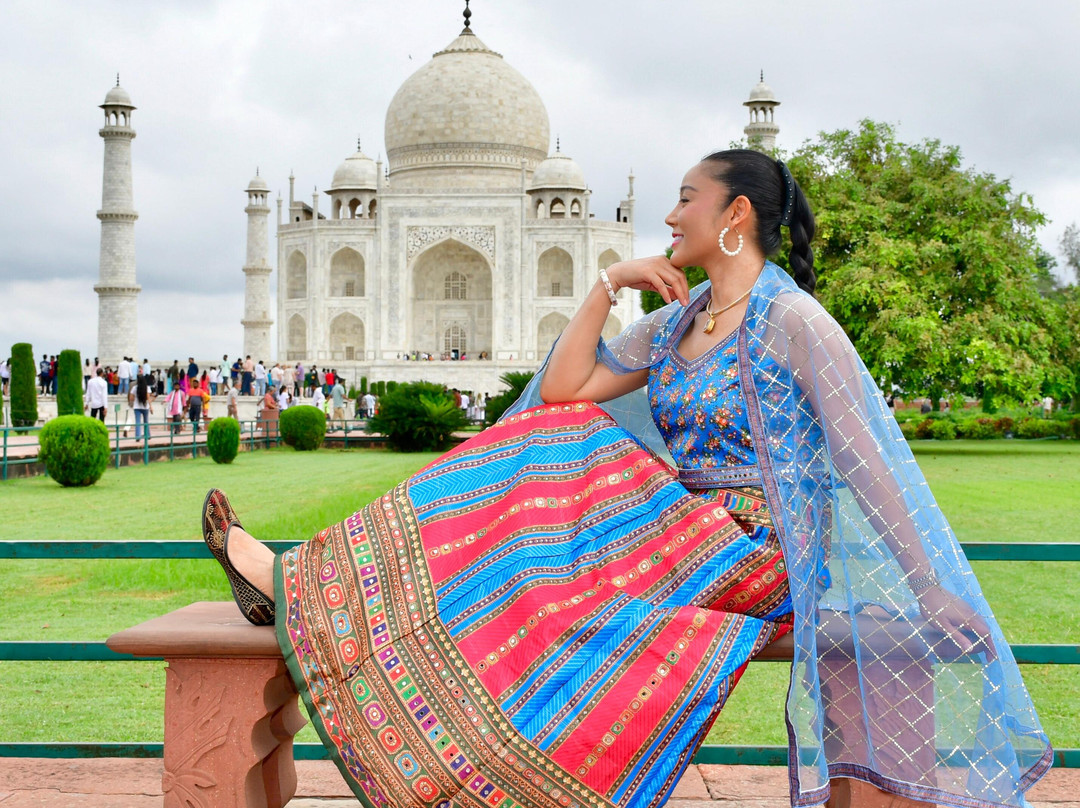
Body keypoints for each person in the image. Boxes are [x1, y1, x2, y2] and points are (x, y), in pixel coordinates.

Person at [200, 150, 1049, 808]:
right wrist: (604, 286)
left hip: (766, 550)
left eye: (688, 197)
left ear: (736, 215)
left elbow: (869, 462)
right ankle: (322, 584)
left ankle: (305, 578)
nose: (671, 214)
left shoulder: (796, 321)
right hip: (686, 534)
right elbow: (565, 393)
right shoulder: (684, 319)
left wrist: (934, 586)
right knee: (558, 438)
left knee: (577, 460)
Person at [129, 374, 155, 440]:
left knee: (138, 422)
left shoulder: (134, 388)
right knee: (146, 421)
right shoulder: (147, 388)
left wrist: (136, 398)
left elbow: (131, 398)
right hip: (145, 406)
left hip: (137, 407)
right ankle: (147, 435)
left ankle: (138, 436)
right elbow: (148, 398)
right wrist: (151, 407)